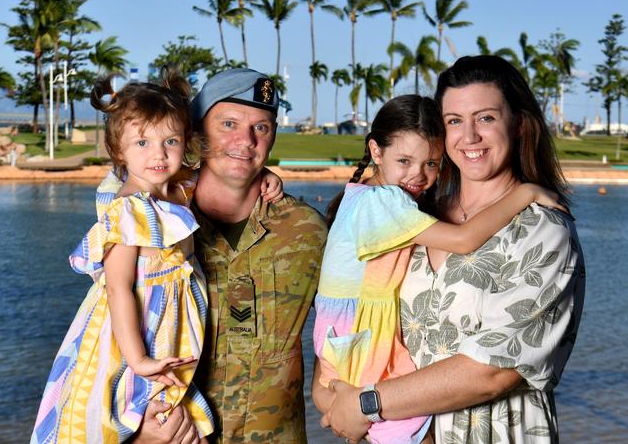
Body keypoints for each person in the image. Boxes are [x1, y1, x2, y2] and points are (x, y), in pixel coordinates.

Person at [318, 55, 585, 444]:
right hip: (400, 431)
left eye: (486, 118)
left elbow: (492, 372)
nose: (469, 136)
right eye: (455, 121)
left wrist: (365, 403)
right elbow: (353, 309)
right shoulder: (416, 218)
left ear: (520, 124)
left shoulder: (544, 230)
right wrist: (330, 390)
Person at [133, 68, 328, 443]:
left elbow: (348, 324)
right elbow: (101, 340)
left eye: (262, 127)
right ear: (197, 132)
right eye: (228, 123)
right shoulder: (151, 225)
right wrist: (136, 430)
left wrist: (335, 396)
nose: (246, 140)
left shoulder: (307, 231)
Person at [31, 73, 217, 443]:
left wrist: (266, 178)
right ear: (118, 150)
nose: (158, 154)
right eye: (142, 142)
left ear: (185, 142)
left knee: (172, 396)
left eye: (170, 141)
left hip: (170, 324)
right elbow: (117, 289)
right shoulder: (126, 211)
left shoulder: (179, 189)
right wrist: (137, 360)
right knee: (122, 400)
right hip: (133, 330)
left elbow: (218, 178)